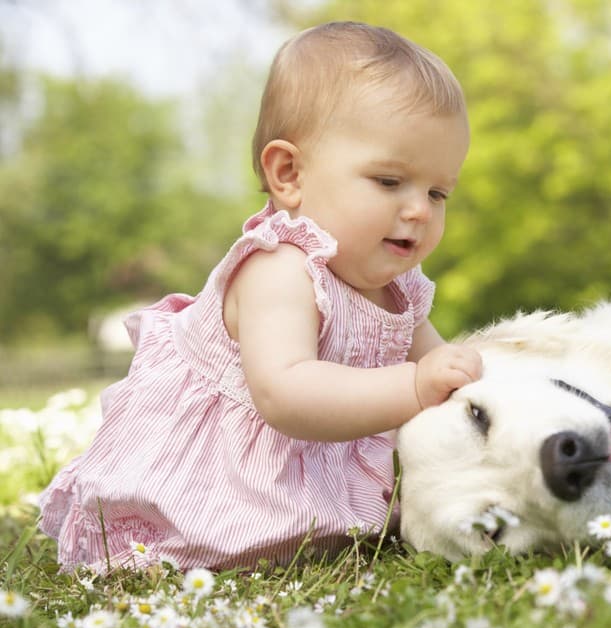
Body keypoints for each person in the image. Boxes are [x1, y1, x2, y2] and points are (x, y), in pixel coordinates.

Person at [37, 21, 482, 572]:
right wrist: (416, 385)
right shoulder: (278, 268)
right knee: (185, 547)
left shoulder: (401, 290)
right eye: (390, 182)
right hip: (220, 478)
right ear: (289, 173)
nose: (419, 210)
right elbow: (286, 393)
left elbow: (443, 368)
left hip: (311, 471)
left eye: (438, 192)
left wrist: (462, 379)